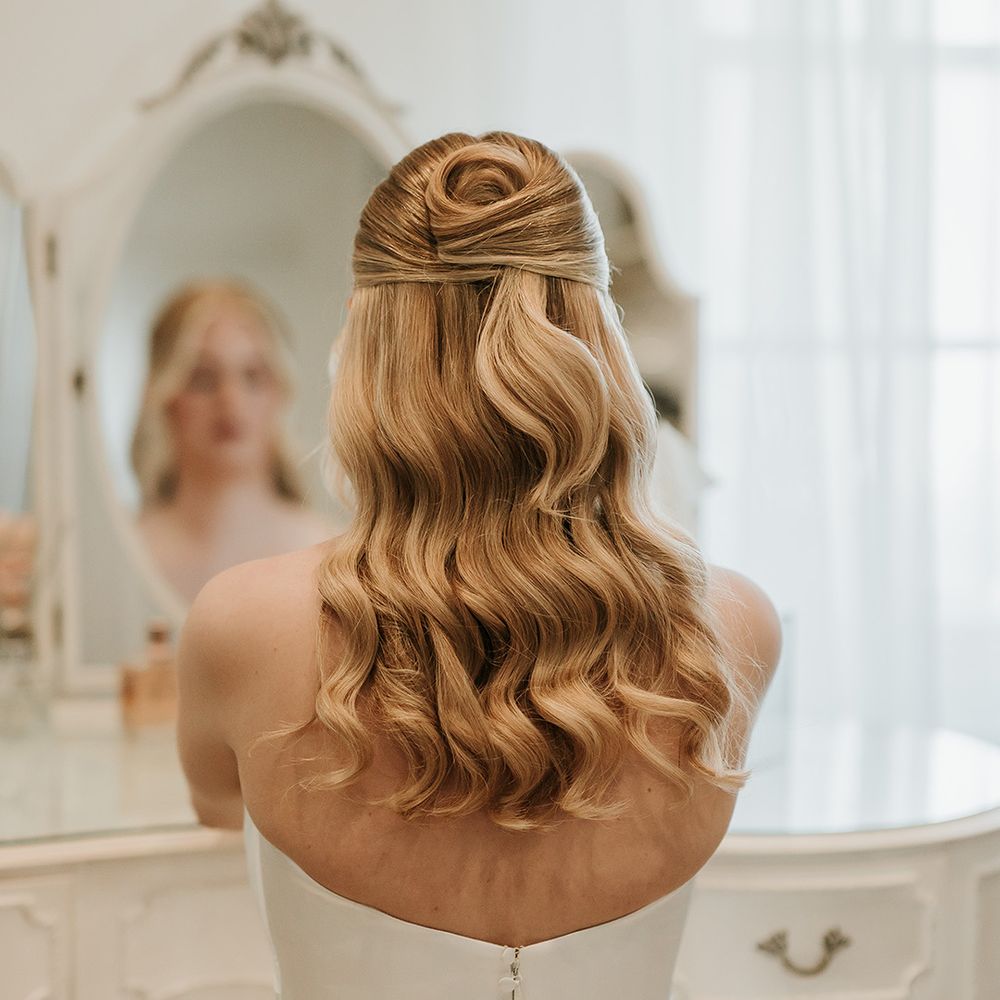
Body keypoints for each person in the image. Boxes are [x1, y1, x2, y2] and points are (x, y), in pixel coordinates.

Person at [175, 132, 782, 999]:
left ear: (359, 343)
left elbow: (216, 807)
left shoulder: (243, 626)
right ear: (598, 346)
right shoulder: (732, 628)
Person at [130, 279, 334, 603]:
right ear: (166, 396)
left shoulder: (326, 555)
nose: (231, 400)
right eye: (203, 378)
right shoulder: (125, 553)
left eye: (253, 376)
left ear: (279, 393)